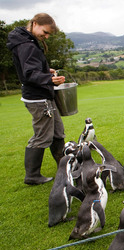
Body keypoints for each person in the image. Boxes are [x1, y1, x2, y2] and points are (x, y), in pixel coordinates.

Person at [7, 13, 67, 185]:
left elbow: (32, 68)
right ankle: (32, 175)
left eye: (48, 34)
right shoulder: (27, 45)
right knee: (42, 137)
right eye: (45, 32)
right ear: (35, 24)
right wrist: (49, 79)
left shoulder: (29, 41)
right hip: (38, 98)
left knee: (57, 132)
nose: (46, 36)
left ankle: (64, 168)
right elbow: (29, 74)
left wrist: (45, 71)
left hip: (44, 95)